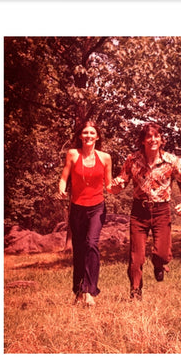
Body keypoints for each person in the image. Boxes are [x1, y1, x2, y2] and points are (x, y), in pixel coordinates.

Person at [110, 122, 181, 300]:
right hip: (139, 211)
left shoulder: (172, 161)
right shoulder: (132, 160)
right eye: (149, 136)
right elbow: (122, 181)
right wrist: (113, 186)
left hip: (162, 211)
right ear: (143, 140)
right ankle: (135, 291)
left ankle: (159, 264)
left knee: (161, 253)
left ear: (162, 140)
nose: (153, 140)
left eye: (156, 136)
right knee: (136, 257)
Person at [58, 120, 112, 306]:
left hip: (97, 207)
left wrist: (118, 185)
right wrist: (61, 188)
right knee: (79, 249)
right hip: (77, 208)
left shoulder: (105, 157)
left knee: (91, 244)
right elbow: (64, 178)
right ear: (80, 136)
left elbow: (109, 184)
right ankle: (79, 290)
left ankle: (90, 291)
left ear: (97, 137)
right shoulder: (73, 154)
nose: (88, 136)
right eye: (85, 133)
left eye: (92, 133)